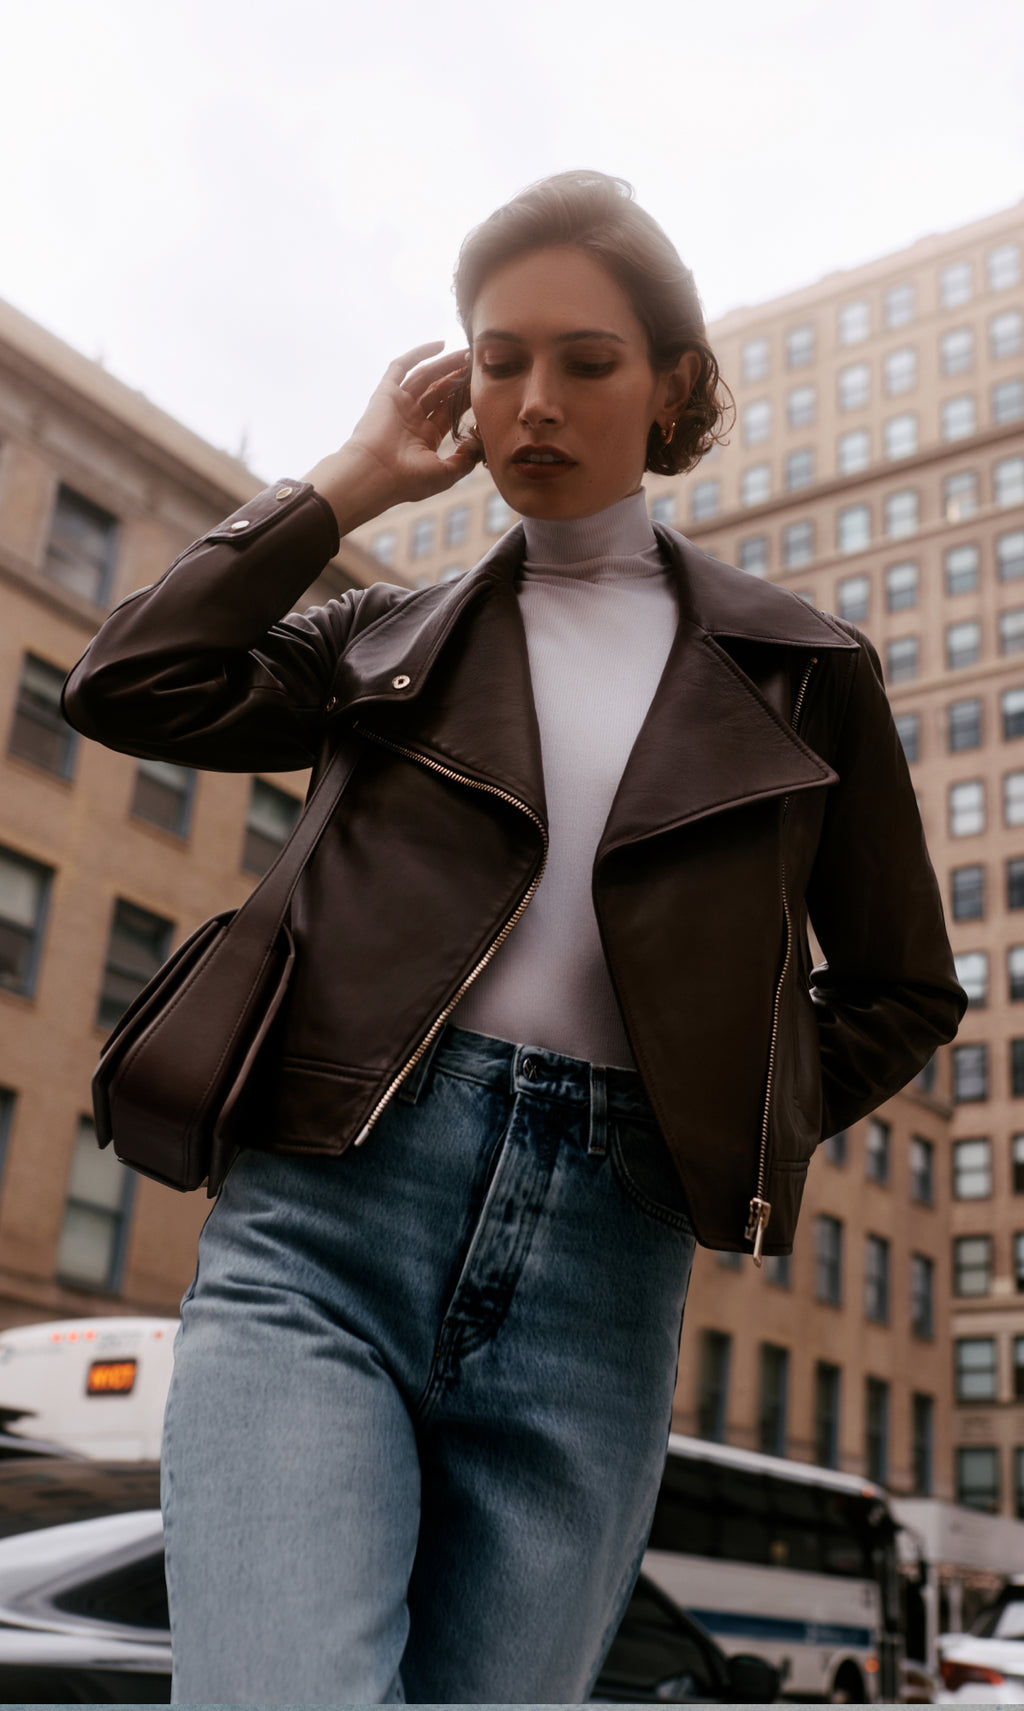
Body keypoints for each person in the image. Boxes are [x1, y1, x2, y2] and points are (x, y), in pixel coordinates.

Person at [62, 170, 965, 1705]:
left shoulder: (808, 671)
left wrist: (724, 1107)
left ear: (672, 383)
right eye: (500, 359)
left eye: (586, 361)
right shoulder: (377, 640)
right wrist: (346, 484)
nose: (532, 401)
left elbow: (901, 986)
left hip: (605, 1266)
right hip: (329, 1221)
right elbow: (130, 687)